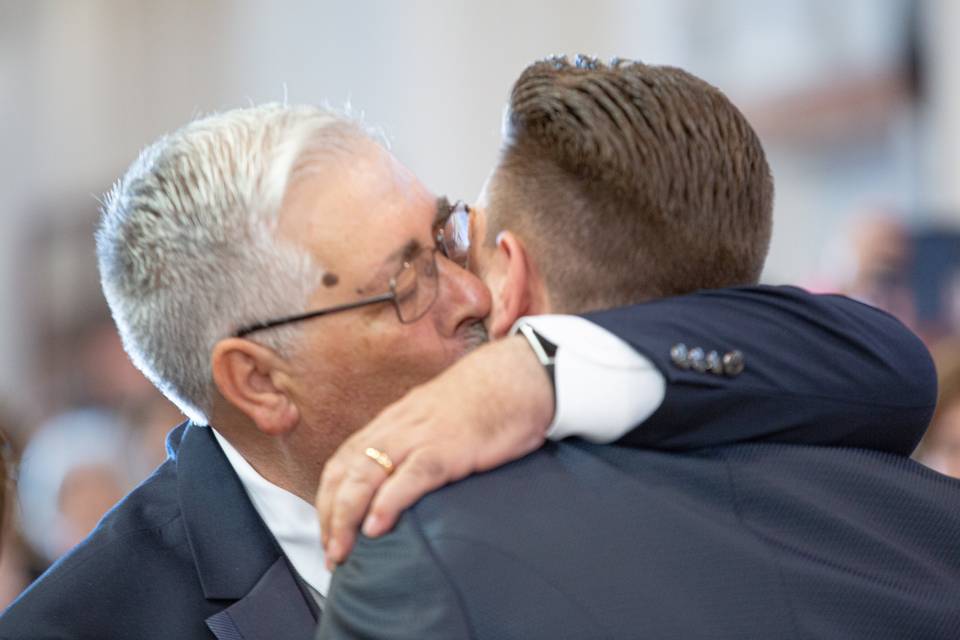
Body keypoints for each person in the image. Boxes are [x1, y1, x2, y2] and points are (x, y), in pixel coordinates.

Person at [0, 99, 933, 639]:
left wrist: (543, 376)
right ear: (258, 382)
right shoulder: (91, 625)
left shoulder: (548, 397)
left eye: (444, 234)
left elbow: (883, 366)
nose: (474, 294)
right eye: (402, 282)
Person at [316, 58, 957, 639]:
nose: (453, 283)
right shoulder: (929, 518)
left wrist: (534, 369)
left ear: (512, 277)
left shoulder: (426, 560)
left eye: (462, 238)